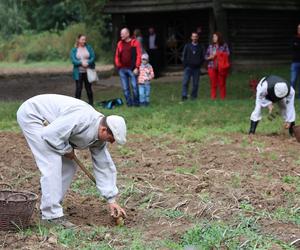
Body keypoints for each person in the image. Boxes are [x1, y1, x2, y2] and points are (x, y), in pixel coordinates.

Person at [17, 94, 127, 228]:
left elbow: (104, 165)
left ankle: (52, 204)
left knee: (69, 165)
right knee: (52, 162)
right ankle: (51, 216)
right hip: (34, 115)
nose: (112, 142)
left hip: (54, 128)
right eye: (112, 138)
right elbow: (50, 135)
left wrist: (111, 199)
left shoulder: (100, 138)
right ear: (103, 129)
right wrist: (66, 149)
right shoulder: (82, 118)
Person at [115, 28, 142, 107]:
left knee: (134, 87)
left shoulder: (135, 42)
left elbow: (139, 55)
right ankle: (129, 104)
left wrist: (137, 67)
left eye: (122, 34)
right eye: (120, 34)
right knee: (125, 89)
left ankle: (136, 104)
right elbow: (116, 56)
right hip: (122, 69)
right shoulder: (119, 43)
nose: (121, 35)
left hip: (132, 69)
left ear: (127, 34)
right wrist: (118, 65)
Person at [70, 34, 95, 106]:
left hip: (88, 71)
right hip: (78, 72)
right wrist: (81, 63)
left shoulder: (89, 48)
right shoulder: (74, 50)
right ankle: (76, 105)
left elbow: (93, 57)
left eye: (85, 39)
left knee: (89, 88)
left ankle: (91, 104)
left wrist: (88, 62)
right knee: (78, 89)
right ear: (78, 40)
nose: (84, 41)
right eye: (82, 39)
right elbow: (73, 60)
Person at [205, 32, 230, 100]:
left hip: (221, 67)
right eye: (213, 37)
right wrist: (210, 57)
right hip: (211, 66)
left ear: (219, 37)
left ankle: (223, 98)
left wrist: (218, 54)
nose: (213, 38)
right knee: (213, 83)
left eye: (215, 37)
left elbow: (227, 54)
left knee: (222, 83)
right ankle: (213, 97)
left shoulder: (224, 46)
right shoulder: (210, 46)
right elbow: (206, 56)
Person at [181, 32, 205, 101]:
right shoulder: (187, 46)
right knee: (185, 82)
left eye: (196, 37)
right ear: (191, 37)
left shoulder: (201, 46)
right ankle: (184, 95)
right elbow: (183, 56)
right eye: (193, 37)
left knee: (195, 84)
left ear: (198, 38)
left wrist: (199, 64)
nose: (194, 38)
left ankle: (193, 97)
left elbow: (203, 57)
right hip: (188, 67)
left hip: (196, 68)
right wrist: (185, 65)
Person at [290, 24, 300, 96]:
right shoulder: (294, 38)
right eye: (299, 28)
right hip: (295, 62)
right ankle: (291, 95)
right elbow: (293, 47)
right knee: (293, 80)